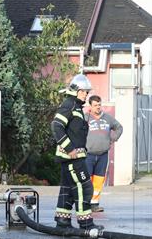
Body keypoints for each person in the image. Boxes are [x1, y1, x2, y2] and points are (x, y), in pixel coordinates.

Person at [52, 74, 101, 230]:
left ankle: (63, 220)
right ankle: (85, 223)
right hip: (72, 157)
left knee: (68, 188)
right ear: (77, 91)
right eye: (85, 91)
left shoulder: (76, 106)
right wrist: (69, 149)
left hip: (73, 157)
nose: (87, 94)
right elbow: (56, 126)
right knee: (84, 187)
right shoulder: (70, 105)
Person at [85, 95, 123, 212]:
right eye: (95, 105)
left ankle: (94, 204)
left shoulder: (107, 118)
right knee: (87, 180)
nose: (98, 107)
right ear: (90, 106)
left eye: (99, 104)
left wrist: (113, 138)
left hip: (103, 155)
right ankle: (85, 204)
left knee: (99, 180)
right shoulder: (84, 118)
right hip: (88, 155)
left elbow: (119, 127)